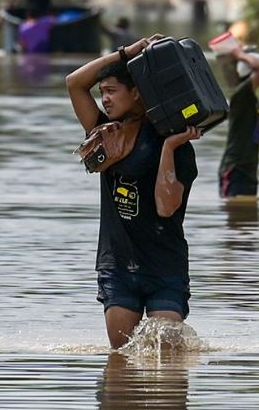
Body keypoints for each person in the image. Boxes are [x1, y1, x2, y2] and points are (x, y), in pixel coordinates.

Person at [66, 35, 203, 349]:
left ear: (137, 92)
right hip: (118, 265)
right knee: (120, 358)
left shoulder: (177, 145)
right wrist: (127, 53)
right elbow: (74, 83)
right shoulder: (104, 135)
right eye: (102, 93)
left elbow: (166, 207)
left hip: (164, 266)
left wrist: (168, 148)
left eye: (112, 91)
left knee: (167, 353)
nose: (105, 100)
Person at [217, 45, 259, 198]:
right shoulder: (242, 94)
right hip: (236, 170)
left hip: (247, 170)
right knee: (237, 211)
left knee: (247, 211)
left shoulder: (249, 96)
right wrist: (240, 54)